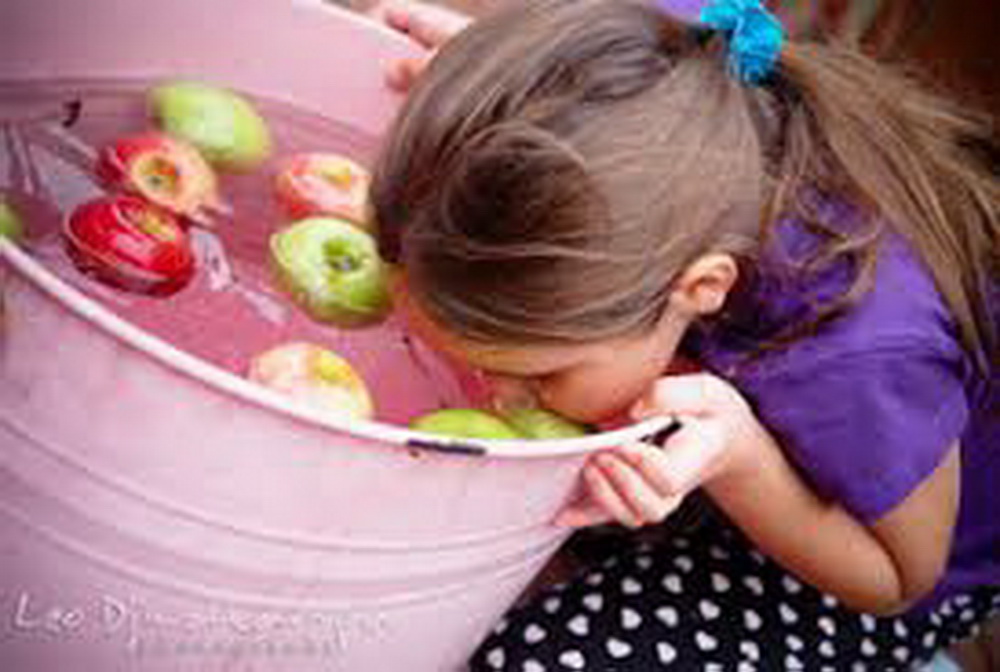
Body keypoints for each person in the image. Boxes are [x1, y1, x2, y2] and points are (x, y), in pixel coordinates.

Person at [369, 0, 999, 669]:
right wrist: (502, 114)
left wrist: (744, 460)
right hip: (732, 401)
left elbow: (902, 579)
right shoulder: (682, 74)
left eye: (541, 374)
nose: (501, 398)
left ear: (702, 289)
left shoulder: (855, 348)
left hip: (874, 545)